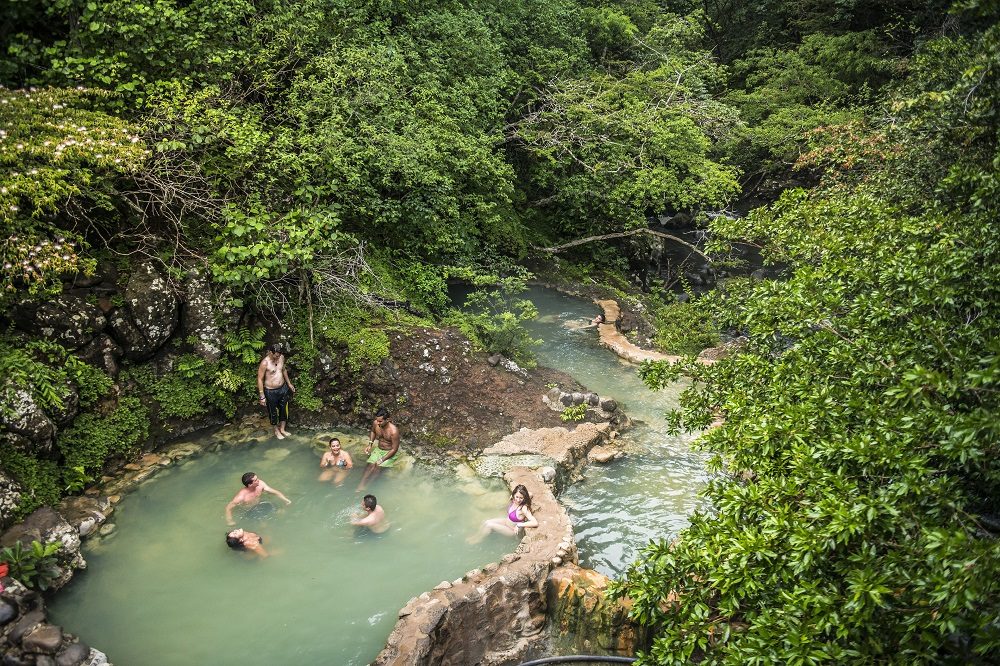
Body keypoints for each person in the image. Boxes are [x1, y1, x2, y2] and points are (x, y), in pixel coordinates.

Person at [467, 484, 538, 544]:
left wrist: (519, 525)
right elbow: (530, 494)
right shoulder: (513, 499)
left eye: (521, 498)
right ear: (514, 495)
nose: (518, 500)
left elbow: (535, 523)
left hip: (511, 530)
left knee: (489, 525)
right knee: (486, 522)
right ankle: (476, 536)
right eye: (517, 497)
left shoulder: (523, 508)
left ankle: (478, 540)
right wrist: (523, 495)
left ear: (524, 497)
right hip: (506, 522)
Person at [257, 343, 296, 439]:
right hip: (270, 391)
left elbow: (283, 370)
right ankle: (276, 430)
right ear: (271, 352)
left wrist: (289, 383)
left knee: (284, 408)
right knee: (273, 411)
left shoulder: (281, 357)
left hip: (283, 388)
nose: (277, 357)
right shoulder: (265, 363)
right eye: (276, 355)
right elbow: (259, 379)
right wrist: (262, 396)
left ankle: (282, 429)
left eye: (279, 355)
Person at [225, 472, 292, 525]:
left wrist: (285, 500)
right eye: (256, 480)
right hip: (250, 510)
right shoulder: (241, 497)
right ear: (250, 485)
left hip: (260, 503)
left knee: (281, 512)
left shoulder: (260, 484)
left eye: (257, 478)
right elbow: (228, 508)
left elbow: (274, 492)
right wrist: (230, 521)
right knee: (263, 525)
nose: (258, 480)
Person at [358, 408, 400, 491]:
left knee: (377, 467)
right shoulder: (376, 424)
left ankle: (368, 486)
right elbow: (373, 431)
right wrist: (370, 444)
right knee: (369, 465)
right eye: (377, 420)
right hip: (378, 450)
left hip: (389, 452)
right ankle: (361, 485)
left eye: (380, 421)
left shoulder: (394, 431)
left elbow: (394, 449)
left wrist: (382, 459)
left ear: (387, 420)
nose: (378, 423)